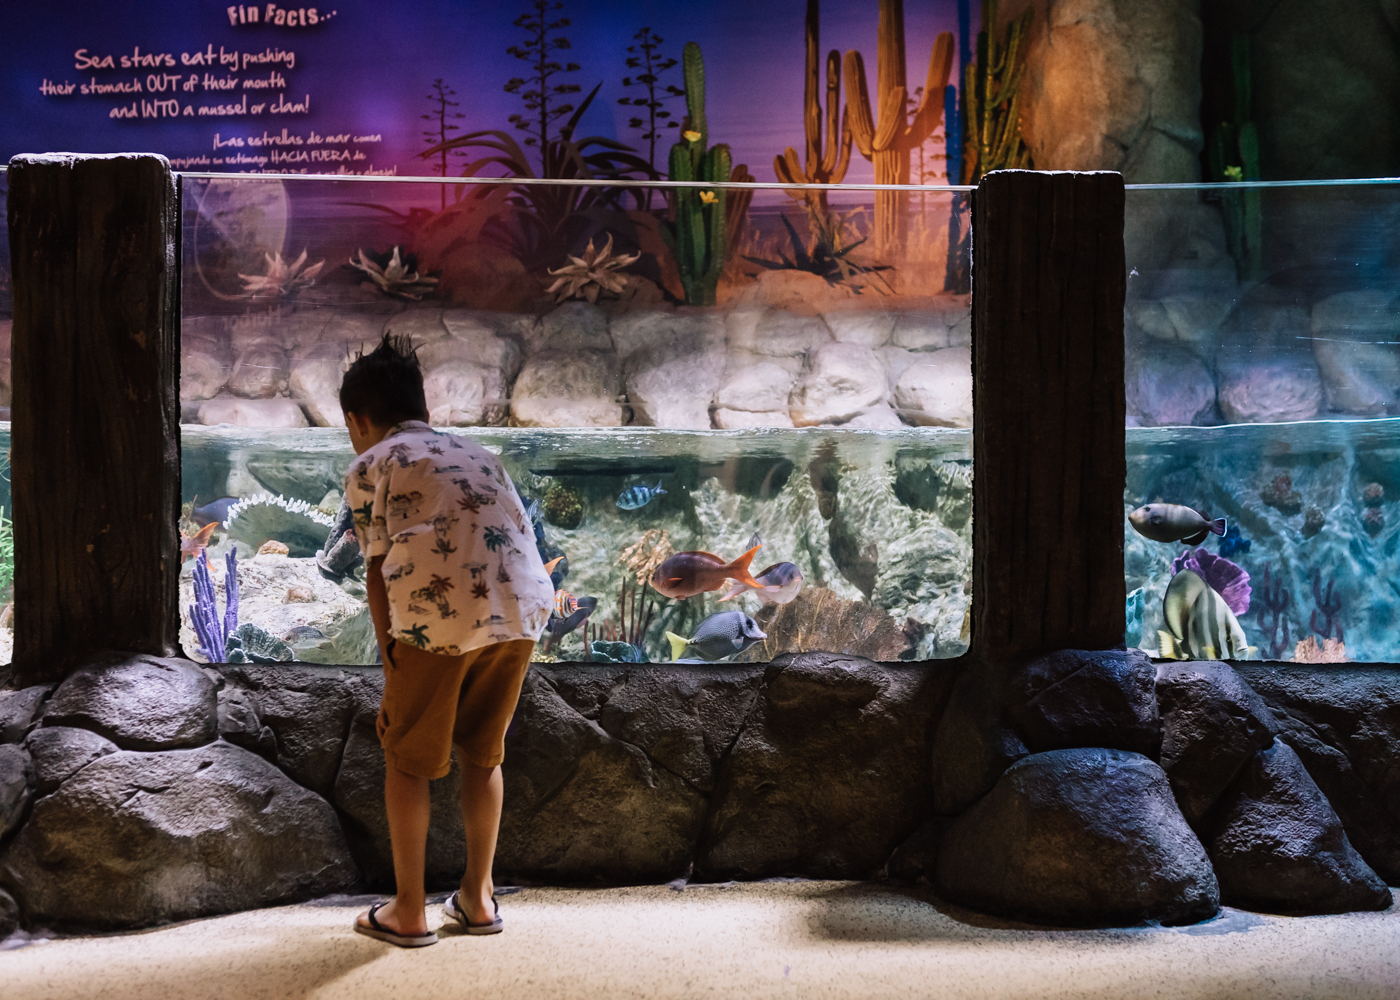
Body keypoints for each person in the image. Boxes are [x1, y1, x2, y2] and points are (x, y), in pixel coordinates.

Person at [340, 334, 553, 948]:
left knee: (407, 756)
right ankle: (479, 898)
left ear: (358, 421)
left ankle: (409, 910)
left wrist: (391, 663)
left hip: (438, 616)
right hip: (519, 611)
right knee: (484, 751)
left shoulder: (372, 464)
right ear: (421, 404)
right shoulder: (481, 453)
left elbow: (378, 569)